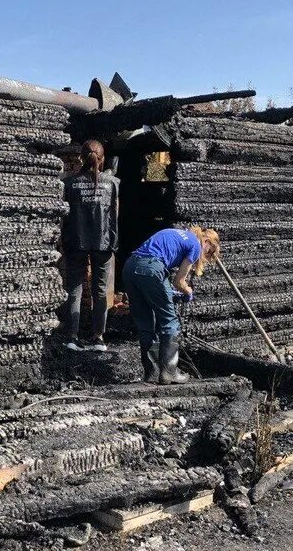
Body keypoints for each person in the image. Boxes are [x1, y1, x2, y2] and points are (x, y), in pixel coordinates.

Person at [123, 226, 220, 384]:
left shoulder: (178, 234)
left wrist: (169, 292)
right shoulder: (196, 245)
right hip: (151, 268)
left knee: (145, 322)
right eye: (209, 252)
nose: (206, 256)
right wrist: (188, 291)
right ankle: (169, 372)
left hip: (130, 268)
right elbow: (179, 281)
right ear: (207, 241)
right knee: (170, 321)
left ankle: (152, 373)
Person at [61, 139, 119, 352]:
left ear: (80, 159)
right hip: (103, 243)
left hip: (76, 241)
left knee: (74, 288)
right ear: (102, 159)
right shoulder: (113, 184)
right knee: (101, 291)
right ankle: (98, 338)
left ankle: (72, 337)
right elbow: (115, 215)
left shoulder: (70, 184)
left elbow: (64, 217)